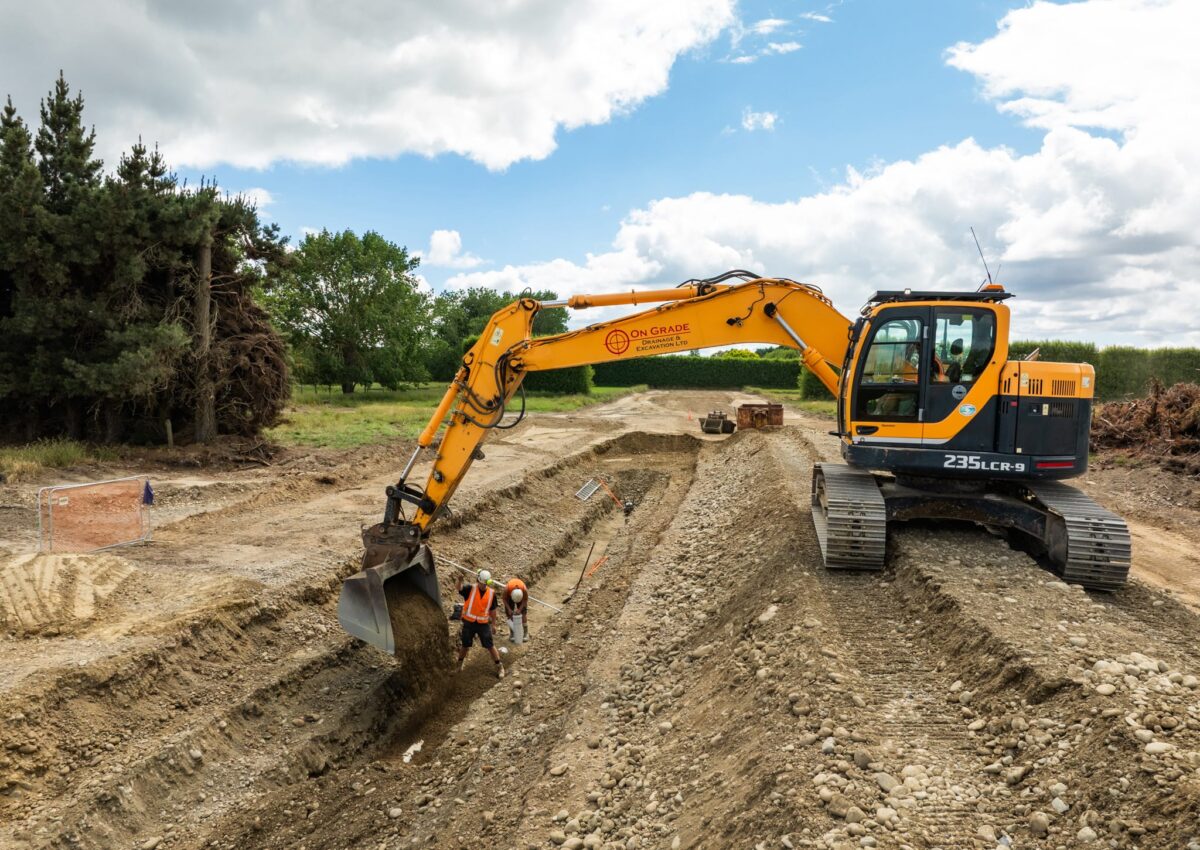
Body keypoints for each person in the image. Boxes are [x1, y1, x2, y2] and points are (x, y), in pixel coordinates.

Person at [455, 570, 504, 678]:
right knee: (465, 645)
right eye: (482, 583)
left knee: (490, 645)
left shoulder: (491, 593)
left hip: (483, 623)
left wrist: (494, 624)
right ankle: (459, 665)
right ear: (478, 581)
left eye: (485, 584)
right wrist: (459, 580)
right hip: (469, 622)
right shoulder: (470, 589)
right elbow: (459, 588)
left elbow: (493, 610)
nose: (483, 585)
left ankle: (499, 666)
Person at [503, 577, 529, 641]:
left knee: (523, 613)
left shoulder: (524, 589)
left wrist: (520, 609)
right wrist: (509, 609)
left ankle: (525, 632)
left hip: (521, 596)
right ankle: (512, 632)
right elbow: (504, 599)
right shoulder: (507, 589)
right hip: (509, 596)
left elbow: (525, 600)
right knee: (510, 615)